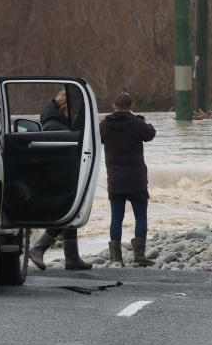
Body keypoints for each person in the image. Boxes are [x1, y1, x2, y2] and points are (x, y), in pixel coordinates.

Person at [26, 89, 92, 271]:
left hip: (57, 173)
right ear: (64, 109)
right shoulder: (54, 126)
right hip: (57, 175)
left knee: (72, 210)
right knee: (69, 211)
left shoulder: (54, 122)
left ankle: (72, 258)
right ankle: (38, 248)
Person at [99, 92, 156, 266]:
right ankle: (139, 256)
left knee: (116, 217)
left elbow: (97, 139)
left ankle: (116, 258)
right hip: (136, 179)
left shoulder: (105, 125)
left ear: (114, 106)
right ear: (131, 106)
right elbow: (150, 134)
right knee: (141, 216)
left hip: (115, 180)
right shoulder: (137, 123)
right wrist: (148, 123)